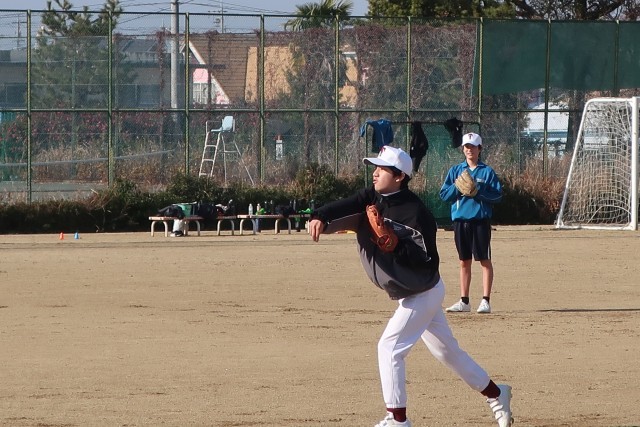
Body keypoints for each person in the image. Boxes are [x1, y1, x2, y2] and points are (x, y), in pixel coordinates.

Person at [308, 145, 512, 427]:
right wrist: (319, 214)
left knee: (389, 348)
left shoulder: (417, 214)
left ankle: (397, 419)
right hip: (412, 292)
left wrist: (393, 245)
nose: (375, 173)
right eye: (375, 167)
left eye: (382, 169)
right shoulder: (373, 196)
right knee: (447, 353)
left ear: (399, 176)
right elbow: (346, 204)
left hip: (423, 292)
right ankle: (497, 393)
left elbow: (427, 262)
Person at [440, 132, 503, 314]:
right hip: (460, 221)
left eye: (473, 147)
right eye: (467, 147)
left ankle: (485, 301)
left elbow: (498, 196)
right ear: (463, 149)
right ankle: (464, 301)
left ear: (479, 149)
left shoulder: (487, 171)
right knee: (464, 261)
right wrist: (457, 187)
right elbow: (444, 195)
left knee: (484, 260)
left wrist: (478, 193)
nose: (470, 150)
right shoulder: (455, 171)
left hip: (480, 221)